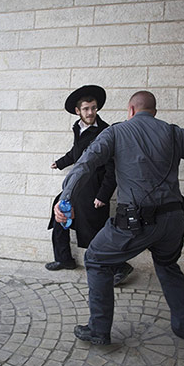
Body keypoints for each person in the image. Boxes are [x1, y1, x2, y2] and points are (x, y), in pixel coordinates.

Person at [55, 91, 184, 349]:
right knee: (168, 265)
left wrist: (65, 200)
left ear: (130, 110)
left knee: (95, 258)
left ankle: (98, 329)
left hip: (134, 223)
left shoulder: (116, 132)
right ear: (155, 112)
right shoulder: (174, 133)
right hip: (172, 222)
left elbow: (85, 165)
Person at [47, 85, 133, 285]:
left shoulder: (106, 132)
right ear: (78, 111)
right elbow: (76, 153)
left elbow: (113, 169)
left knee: (94, 233)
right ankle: (64, 258)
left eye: (93, 108)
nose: (91, 112)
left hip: (93, 190)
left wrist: (103, 195)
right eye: (86, 109)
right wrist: (61, 163)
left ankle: (120, 266)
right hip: (78, 187)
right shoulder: (79, 128)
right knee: (59, 213)